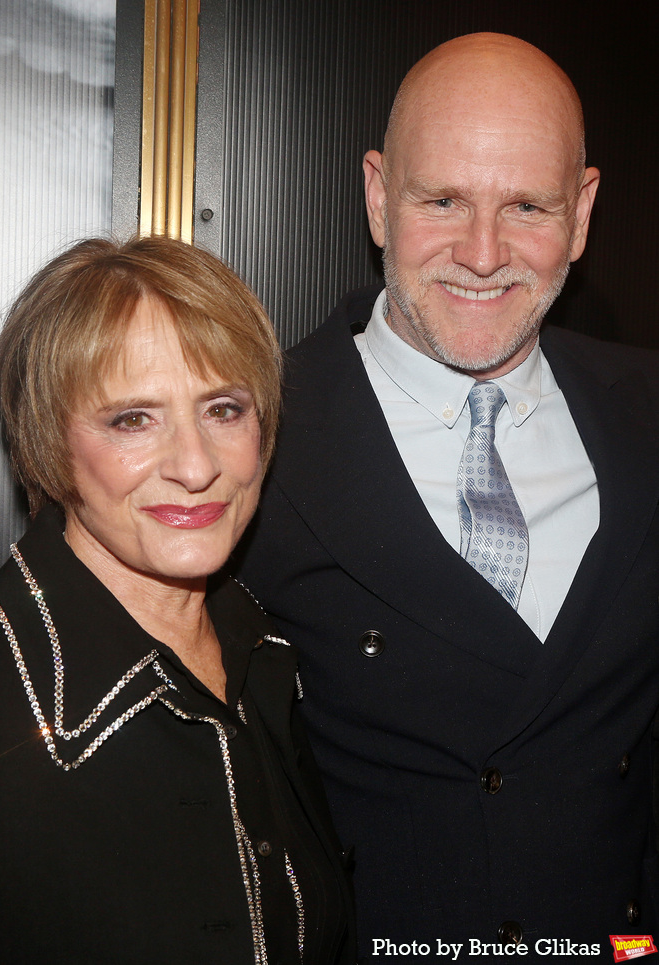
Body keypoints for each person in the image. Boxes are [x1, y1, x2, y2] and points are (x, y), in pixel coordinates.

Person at [235, 32, 659, 961]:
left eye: (527, 206)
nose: (482, 252)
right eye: (443, 201)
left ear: (583, 213)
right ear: (378, 196)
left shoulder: (649, 418)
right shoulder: (245, 439)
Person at [0, 236, 354, 964]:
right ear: (49, 439)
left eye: (225, 409)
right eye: (133, 419)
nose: (196, 465)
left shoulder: (269, 655)